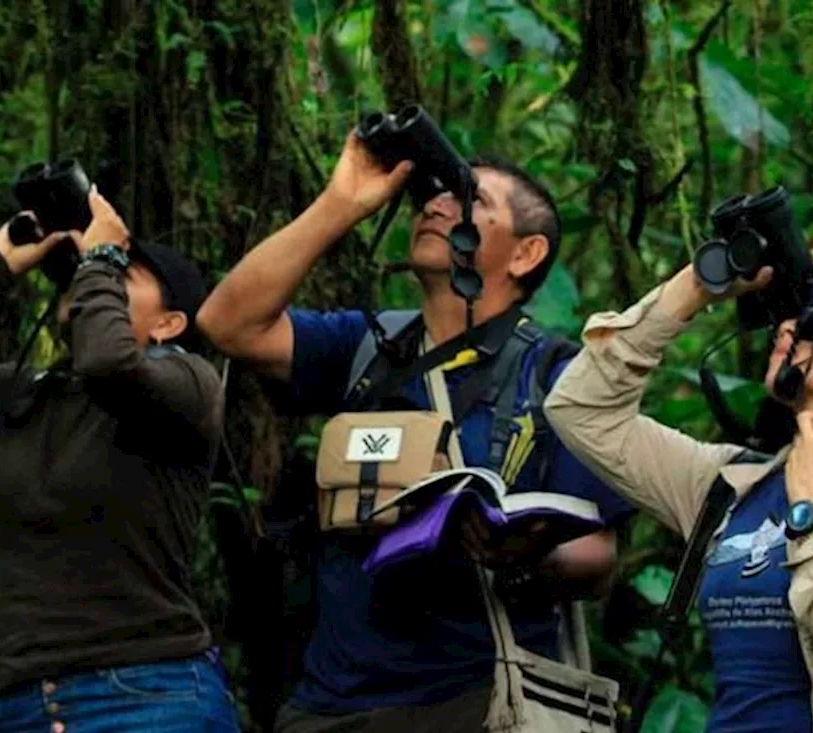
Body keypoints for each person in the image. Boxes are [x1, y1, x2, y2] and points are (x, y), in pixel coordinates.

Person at [196, 133, 636, 733]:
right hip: (328, 707)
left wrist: (523, 552)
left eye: (470, 200)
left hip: (473, 703)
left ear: (525, 254)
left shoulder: (557, 376)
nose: (435, 205)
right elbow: (228, 323)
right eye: (432, 195)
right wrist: (343, 200)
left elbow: (597, 553)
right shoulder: (365, 347)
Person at [542, 254, 813, 732]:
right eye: (791, 313)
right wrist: (697, 285)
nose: (789, 326)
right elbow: (581, 410)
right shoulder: (730, 484)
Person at [0, 190, 241, 732]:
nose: (96, 276)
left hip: (148, 696)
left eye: (124, 274)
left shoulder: (189, 385)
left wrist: (103, 258)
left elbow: (109, 364)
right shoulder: (31, 395)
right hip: (25, 705)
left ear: (169, 324)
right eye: (90, 271)